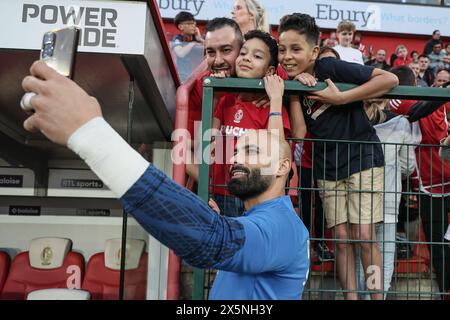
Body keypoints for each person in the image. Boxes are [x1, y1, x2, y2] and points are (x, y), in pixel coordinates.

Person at [20, 60, 310, 300]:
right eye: (235, 151)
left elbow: (213, 242)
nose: (235, 158)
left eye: (250, 150)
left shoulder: (282, 226)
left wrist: (89, 134)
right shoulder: (263, 220)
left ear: (284, 167)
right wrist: (219, 223)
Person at [277, 12, 399, 300]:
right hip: (325, 166)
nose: (287, 56)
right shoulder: (287, 81)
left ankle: (376, 297)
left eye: (296, 49)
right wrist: (295, 89)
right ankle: (351, 298)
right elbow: (298, 132)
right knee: (342, 240)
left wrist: (341, 97)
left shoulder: (330, 66)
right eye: (282, 49)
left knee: (365, 236)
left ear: (314, 51)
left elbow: (390, 78)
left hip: (362, 158)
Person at [191, 30, 292, 217]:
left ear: (269, 71)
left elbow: (277, 147)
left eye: (257, 56)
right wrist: (216, 93)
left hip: (255, 196)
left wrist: (276, 98)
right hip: (221, 194)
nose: (246, 58)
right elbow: (204, 145)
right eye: (243, 53)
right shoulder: (226, 101)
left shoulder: (271, 107)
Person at [389, 67, 450, 298]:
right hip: (430, 182)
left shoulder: (427, 100)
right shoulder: (408, 100)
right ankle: (446, 288)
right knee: (437, 243)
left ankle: (446, 288)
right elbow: (415, 113)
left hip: (434, 180)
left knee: (438, 243)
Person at [356, 98, 417, 299]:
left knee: (360, 258)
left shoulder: (352, 118)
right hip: (389, 201)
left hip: (358, 200)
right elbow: (408, 166)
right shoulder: (401, 123)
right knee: (384, 259)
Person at [171, 11, 204, 82]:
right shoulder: (178, 38)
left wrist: (200, 39)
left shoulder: (197, 38)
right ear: (180, 27)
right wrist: (193, 43)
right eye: (189, 23)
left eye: (194, 23)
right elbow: (180, 53)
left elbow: (212, 48)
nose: (193, 26)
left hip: (198, 76)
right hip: (182, 76)